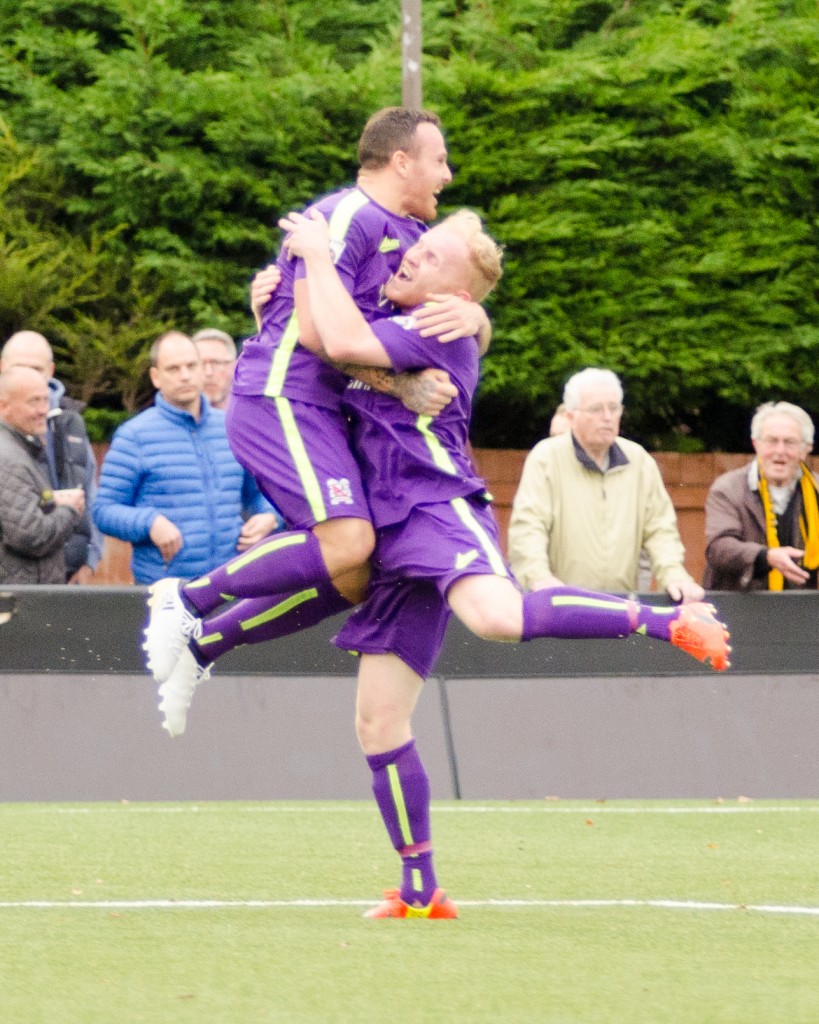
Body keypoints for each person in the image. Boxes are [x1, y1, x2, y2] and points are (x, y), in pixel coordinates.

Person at [148, 210, 731, 920]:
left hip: (430, 508)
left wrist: (312, 257)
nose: (409, 258)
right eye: (416, 248)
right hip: (385, 524)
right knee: (377, 723)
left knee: (495, 617)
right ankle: (419, 887)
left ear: (456, 298)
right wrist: (272, 298)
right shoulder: (404, 309)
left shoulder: (436, 325)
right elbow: (320, 347)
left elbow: (339, 341)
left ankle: (666, 623)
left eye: (430, 258)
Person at [142, 106, 487, 731]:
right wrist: (402, 388)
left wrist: (478, 320)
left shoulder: (413, 241)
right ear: (401, 161)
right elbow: (316, 333)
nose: (448, 173)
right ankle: (186, 599)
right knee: (349, 541)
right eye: (439, 159)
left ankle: (204, 644)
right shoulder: (340, 217)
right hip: (282, 398)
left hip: (323, 412)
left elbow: (437, 322)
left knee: (354, 573)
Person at [93, 331, 281, 585]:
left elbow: (262, 491)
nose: (184, 375)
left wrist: (269, 516)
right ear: (155, 377)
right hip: (165, 589)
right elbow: (104, 510)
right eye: (173, 368)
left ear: (202, 370)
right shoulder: (134, 436)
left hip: (228, 584)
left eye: (191, 366)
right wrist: (149, 523)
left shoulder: (231, 428)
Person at [507, 368, 704, 602]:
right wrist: (538, 577)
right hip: (558, 605)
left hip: (621, 607)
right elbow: (529, 526)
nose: (608, 416)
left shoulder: (639, 460)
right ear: (571, 416)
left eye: (614, 408)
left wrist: (673, 574)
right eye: (596, 409)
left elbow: (660, 529)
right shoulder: (546, 457)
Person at [1, 330, 103, 583]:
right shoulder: (9, 455)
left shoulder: (70, 423)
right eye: (34, 401)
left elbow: (90, 494)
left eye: (37, 368)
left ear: (51, 370)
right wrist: (69, 509)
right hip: (22, 589)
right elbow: (28, 534)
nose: (41, 410)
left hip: (58, 576)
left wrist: (89, 560)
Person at [704, 401, 819, 590]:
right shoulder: (727, 489)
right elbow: (719, 548)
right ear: (756, 444)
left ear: (806, 449)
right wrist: (766, 557)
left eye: (789, 442)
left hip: (805, 607)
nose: (780, 451)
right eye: (772, 441)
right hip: (740, 604)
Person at [191, 328, 236, 410]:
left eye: (216, 363)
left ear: (234, 366)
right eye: (201, 364)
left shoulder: (252, 415)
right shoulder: (175, 419)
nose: (209, 372)